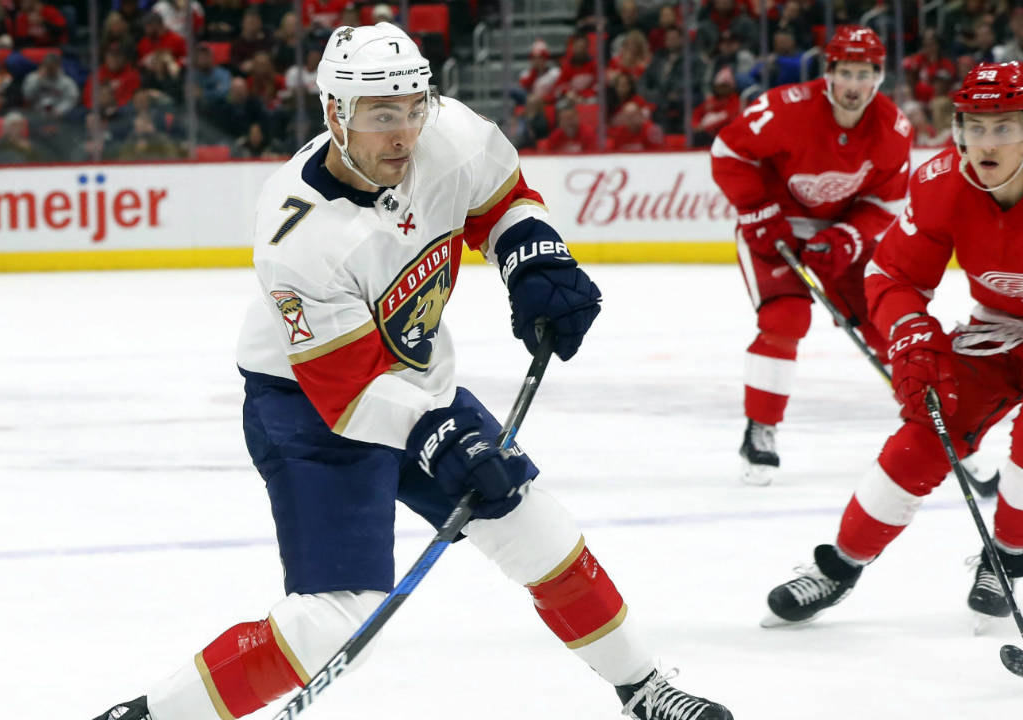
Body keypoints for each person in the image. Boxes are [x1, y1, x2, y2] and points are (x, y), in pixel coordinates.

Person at [90, 22, 732, 720]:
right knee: (337, 619)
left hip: (415, 376)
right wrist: (445, 440)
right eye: (381, 115)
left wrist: (533, 260)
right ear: (335, 113)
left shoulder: (448, 133)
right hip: (307, 405)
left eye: (413, 107)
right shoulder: (296, 233)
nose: (403, 133)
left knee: (536, 527)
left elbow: (501, 197)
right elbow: (348, 388)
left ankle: (644, 689)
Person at [762, 61, 1023, 629]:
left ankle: (1007, 556)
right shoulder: (943, 184)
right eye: (974, 127)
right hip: (998, 327)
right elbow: (894, 275)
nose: (986, 142)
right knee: (925, 430)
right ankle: (839, 566)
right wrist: (911, 333)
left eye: (1004, 126)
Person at [711, 25, 912, 486]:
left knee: (884, 319)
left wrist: (846, 237)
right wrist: (758, 211)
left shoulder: (893, 130)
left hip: (839, 229)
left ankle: (929, 416)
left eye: (865, 75)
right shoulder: (786, 109)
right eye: (846, 73)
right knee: (785, 319)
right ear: (829, 73)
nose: (854, 86)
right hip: (773, 223)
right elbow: (728, 151)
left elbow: (885, 204)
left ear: (878, 77)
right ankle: (761, 428)